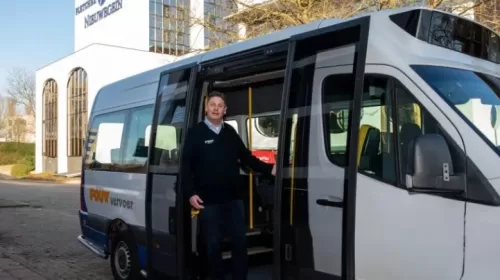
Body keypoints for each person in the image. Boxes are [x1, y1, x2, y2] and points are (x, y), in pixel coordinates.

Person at [181, 90, 276, 280]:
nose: (216, 108)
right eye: (212, 105)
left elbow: (246, 157)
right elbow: (185, 167)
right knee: (213, 247)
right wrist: (191, 193)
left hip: (233, 200)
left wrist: (270, 169)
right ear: (206, 108)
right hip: (208, 202)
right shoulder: (196, 133)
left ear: (225, 110)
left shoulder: (230, 132)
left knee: (240, 245)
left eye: (220, 105)